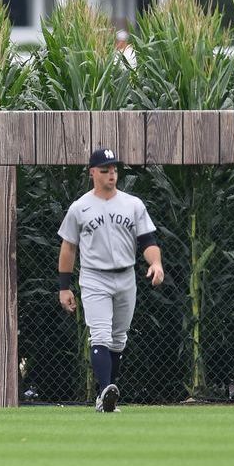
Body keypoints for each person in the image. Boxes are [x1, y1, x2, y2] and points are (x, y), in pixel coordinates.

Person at [58, 147, 164, 413]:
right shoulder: (80, 207)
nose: (111, 175)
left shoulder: (132, 204)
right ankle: (106, 389)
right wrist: (64, 287)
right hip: (94, 277)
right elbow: (68, 247)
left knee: (118, 338)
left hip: (126, 275)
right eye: (105, 170)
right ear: (92, 173)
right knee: (101, 334)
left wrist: (156, 263)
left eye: (114, 170)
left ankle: (106, 396)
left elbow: (147, 240)